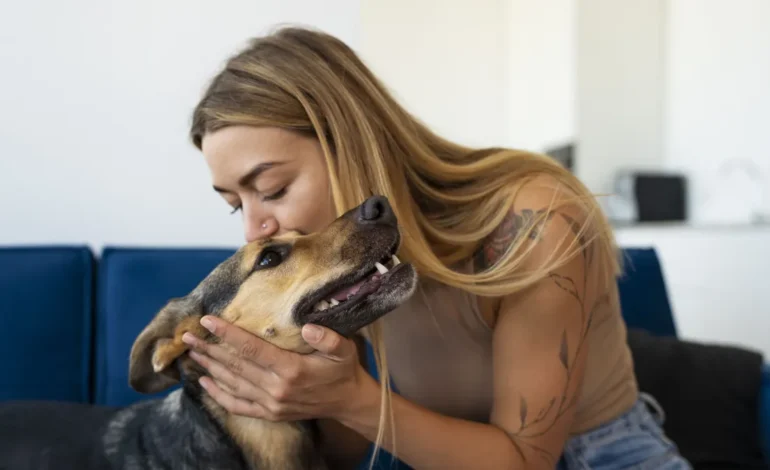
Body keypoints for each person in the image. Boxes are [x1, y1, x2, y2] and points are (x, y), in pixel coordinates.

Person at [180, 26, 692, 469]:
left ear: (352, 143)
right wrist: (298, 390)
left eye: (271, 190)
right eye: (235, 204)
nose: (254, 229)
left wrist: (350, 398)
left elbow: (524, 461)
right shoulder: (353, 269)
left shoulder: (533, 217)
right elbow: (346, 453)